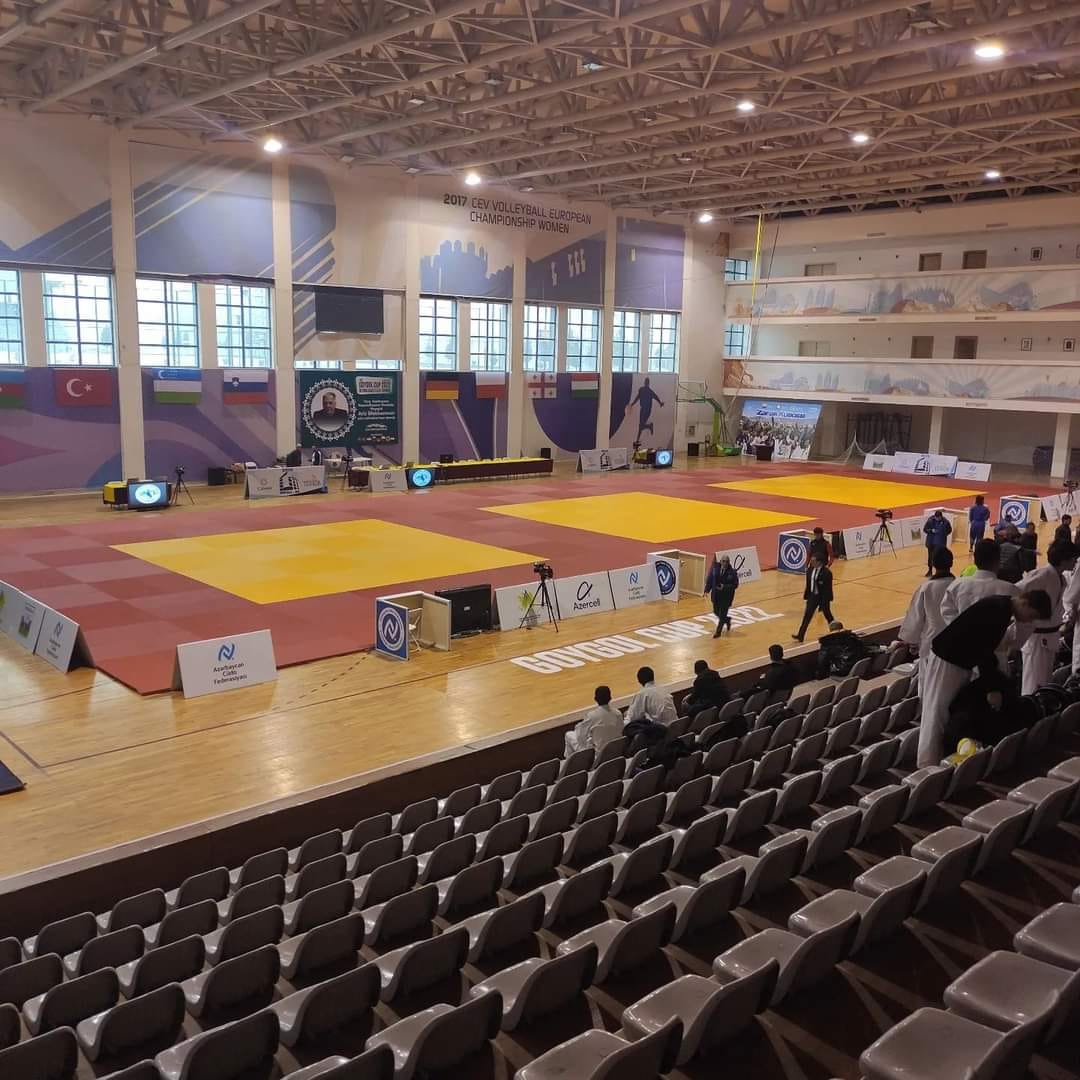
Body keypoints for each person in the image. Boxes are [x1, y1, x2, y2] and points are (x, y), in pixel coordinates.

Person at [918, 590, 1051, 767]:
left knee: (948, 711)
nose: (1029, 621)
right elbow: (984, 650)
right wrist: (992, 688)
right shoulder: (997, 610)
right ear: (1024, 603)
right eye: (1031, 616)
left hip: (960, 662)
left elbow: (984, 649)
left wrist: (993, 683)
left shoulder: (1002, 609)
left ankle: (939, 760)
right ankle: (927, 765)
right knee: (937, 712)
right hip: (947, 660)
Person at [1018, 540, 1077, 694]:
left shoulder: (1060, 577)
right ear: (1064, 559)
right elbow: (1016, 590)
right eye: (1073, 558)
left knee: (1044, 683)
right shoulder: (1043, 574)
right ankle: (1028, 707)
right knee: (1033, 684)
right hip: (1037, 637)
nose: (1075, 562)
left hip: (1050, 636)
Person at [899, 546, 956, 660]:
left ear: (933, 564)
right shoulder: (959, 586)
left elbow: (915, 617)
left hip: (931, 646)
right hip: (955, 644)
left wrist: (912, 642)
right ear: (951, 563)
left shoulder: (926, 588)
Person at [564, 685, 624, 756]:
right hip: (616, 752)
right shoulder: (618, 714)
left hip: (599, 755)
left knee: (569, 735)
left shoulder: (592, 716)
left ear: (595, 699)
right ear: (610, 698)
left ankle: (571, 761)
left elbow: (580, 736)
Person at [792, 554, 834, 643]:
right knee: (807, 616)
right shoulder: (810, 570)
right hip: (812, 596)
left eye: (813, 561)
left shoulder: (827, 573)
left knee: (828, 615)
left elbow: (828, 589)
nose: (811, 562)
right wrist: (807, 595)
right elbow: (808, 584)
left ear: (819, 562)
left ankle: (836, 631)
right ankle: (800, 635)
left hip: (823, 597)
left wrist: (826, 601)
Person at [704, 554, 739, 637]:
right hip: (716, 595)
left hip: (726, 597)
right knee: (716, 611)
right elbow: (710, 580)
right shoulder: (715, 569)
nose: (725, 563)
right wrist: (706, 590)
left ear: (729, 562)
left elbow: (735, 585)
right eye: (723, 561)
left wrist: (724, 587)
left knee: (722, 614)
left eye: (727, 561)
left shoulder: (732, 572)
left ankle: (718, 632)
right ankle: (727, 620)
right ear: (720, 561)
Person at [628, 377, 665, 441]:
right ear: (645, 383)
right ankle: (640, 437)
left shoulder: (649, 391)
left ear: (647, 383)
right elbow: (637, 398)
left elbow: (656, 397)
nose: (646, 383)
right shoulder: (642, 390)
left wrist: (660, 403)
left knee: (641, 425)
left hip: (647, 410)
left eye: (646, 382)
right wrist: (632, 404)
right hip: (643, 409)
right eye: (646, 382)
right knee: (641, 425)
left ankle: (647, 429)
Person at [922, 509, 952, 576]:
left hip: (940, 544)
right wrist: (931, 530)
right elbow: (925, 529)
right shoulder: (930, 520)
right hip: (931, 543)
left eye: (938, 517)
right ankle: (930, 571)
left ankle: (938, 572)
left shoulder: (946, 522)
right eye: (936, 517)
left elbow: (949, 530)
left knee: (939, 558)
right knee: (930, 557)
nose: (937, 519)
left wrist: (943, 534)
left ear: (941, 516)